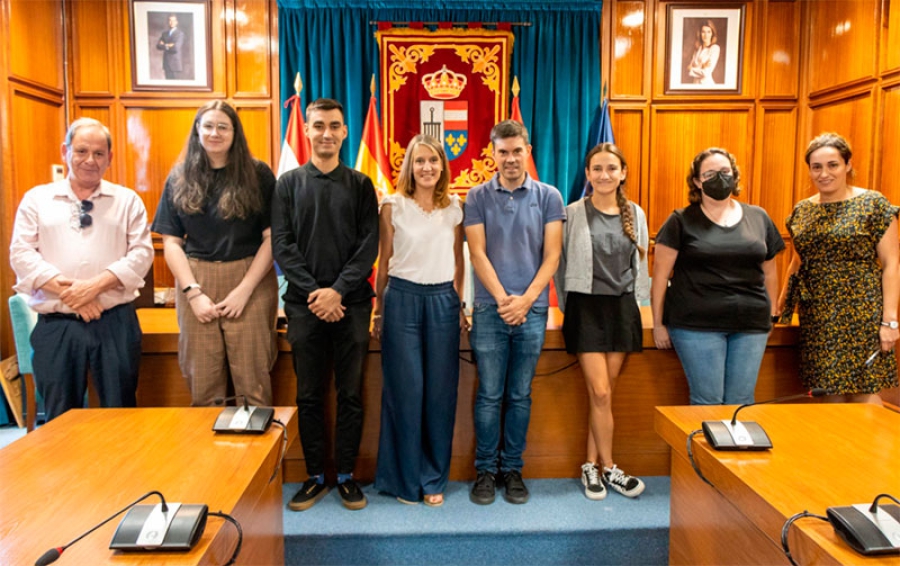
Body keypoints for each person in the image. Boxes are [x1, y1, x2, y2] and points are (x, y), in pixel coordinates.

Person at [272, 98, 379, 511]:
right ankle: (315, 475)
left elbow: (368, 245)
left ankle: (348, 476)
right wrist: (317, 294)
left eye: (334, 125)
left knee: (351, 393)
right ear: (307, 130)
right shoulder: (287, 184)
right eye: (318, 126)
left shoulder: (360, 185)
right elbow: (283, 244)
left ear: (345, 132)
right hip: (303, 306)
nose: (327, 133)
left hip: (351, 305)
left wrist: (337, 291)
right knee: (310, 394)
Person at [9, 118, 153, 422]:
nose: (90, 160)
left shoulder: (127, 201)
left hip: (115, 322)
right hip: (57, 324)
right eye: (82, 151)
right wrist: (75, 295)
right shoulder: (37, 199)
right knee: (61, 418)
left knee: (121, 412)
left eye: (99, 153)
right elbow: (21, 253)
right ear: (65, 151)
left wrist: (96, 286)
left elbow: (141, 254)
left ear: (110, 158)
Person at [151, 101, 278, 408]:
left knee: (254, 385)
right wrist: (193, 294)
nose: (215, 133)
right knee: (205, 387)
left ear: (235, 133)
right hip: (197, 280)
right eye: (208, 126)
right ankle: (211, 458)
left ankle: (257, 455)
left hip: (251, 280)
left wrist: (244, 291)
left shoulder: (258, 174)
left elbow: (272, 239)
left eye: (223, 126)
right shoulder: (180, 176)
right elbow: (171, 242)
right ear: (197, 130)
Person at [465, 120, 565, 505]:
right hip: (491, 310)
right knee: (489, 395)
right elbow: (477, 254)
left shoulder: (549, 196)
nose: (510, 159)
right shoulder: (476, 197)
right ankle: (486, 471)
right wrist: (506, 300)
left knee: (520, 395)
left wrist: (525, 301)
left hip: (533, 311)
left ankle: (513, 470)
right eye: (502, 152)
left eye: (516, 151)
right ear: (493, 153)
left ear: (528, 150)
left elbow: (552, 255)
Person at [371, 135, 467, 507]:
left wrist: (459, 305)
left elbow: (460, 264)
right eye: (419, 160)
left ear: (443, 166)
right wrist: (379, 310)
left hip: (443, 300)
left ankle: (432, 478)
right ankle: (404, 480)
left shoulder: (455, 208)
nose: (427, 167)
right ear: (409, 166)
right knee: (406, 392)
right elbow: (384, 261)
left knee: (439, 394)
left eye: (434, 160)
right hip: (402, 301)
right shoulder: (392, 207)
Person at [651, 147, 784, 405]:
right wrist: (658, 324)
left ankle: (738, 447)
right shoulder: (680, 220)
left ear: (734, 176)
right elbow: (659, 278)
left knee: (741, 401)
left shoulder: (758, 217)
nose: (719, 178)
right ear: (698, 181)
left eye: (725, 172)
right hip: (696, 325)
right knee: (707, 401)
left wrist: (772, 315)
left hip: (750, 324)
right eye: (710, 174)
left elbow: (770, 271)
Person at [555, 143, 648, 500]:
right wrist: (569, 305)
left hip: (622, 310)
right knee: (600, 391)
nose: (604, 175)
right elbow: (560, 262)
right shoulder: (573, 212)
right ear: (588, 174)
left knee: (604, 397)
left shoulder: (635, 213)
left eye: (611, 168)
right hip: (586, 309)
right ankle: (610, 468)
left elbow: (640, 264)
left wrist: (642, 301)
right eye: (597, 168)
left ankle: (590, 466)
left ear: (623, 172)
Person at [778, 133, 899, 403]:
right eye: (816, 167)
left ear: (847, 165)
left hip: (862, 312)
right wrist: (781, 304)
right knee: (826, 392)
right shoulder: (802, 211)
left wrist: (890, 321)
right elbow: (798, 260)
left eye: (832, 165)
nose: (824, 173)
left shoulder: (874, 204)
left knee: (864, 391)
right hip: (818, 313)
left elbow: (892, 265)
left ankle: (867, 448)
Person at [686, 20, 720, 85]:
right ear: (700, 33)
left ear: (712, 33)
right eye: (703, 32)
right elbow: (688, 69)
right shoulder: (698, 49)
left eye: (708, 32)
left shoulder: (715, 48)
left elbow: (705, 73)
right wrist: (702, 66)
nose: (706, 35)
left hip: (707, 85)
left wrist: (693, 68)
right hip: (695, 85)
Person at [156, 14, 185, 80]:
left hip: (175, 65)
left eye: (173, 20)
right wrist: (169, 45)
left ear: (177, 22)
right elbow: (158, 46)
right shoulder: (164, 33)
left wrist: (164, 44)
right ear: (168, 22)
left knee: (176, 87)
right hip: (166, 64)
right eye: (170, 20)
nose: (171, 22)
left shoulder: (180, 34)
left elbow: (175, 48)